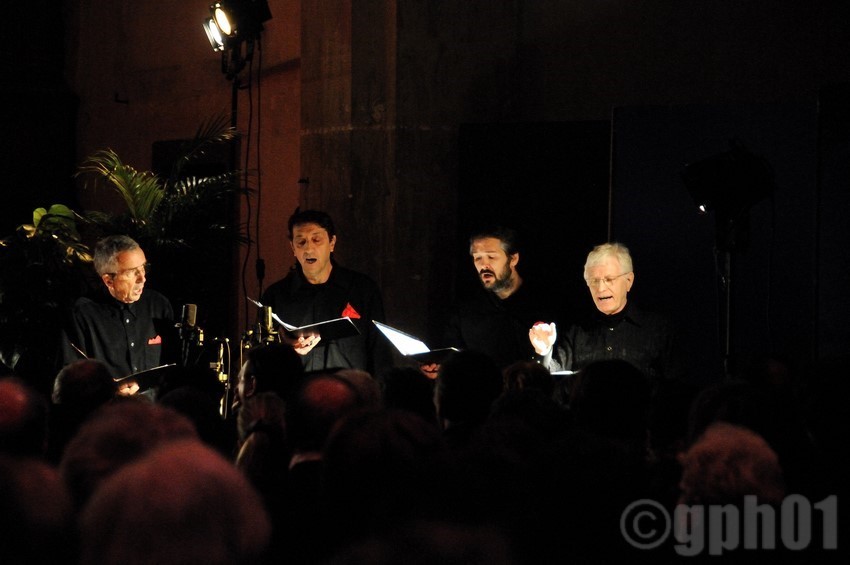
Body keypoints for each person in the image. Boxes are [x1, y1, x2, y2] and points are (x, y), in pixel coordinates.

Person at [531, 242, 682, 393]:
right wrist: (544, 351)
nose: (601, 288)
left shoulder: (657, 329)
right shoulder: (576, 330)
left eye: (609, 279)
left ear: (629, 281)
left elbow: (677, 389)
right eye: (594, 281)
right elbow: (549, 379)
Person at [261, 209, 393, 377]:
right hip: (298, 391)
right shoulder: (276, 296)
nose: (309, 248)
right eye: (301, 242)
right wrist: (284, 346)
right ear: (292, 247)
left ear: (332, 243)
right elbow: (262, 359)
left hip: (349, 390)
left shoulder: (362, 289)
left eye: (316, 240)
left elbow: (380, 353)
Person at [427, 226, 565, 375]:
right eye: (477, 258)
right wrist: (439, 369)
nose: (483, 265)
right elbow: (452, 359)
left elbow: (559, 366)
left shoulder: (545, 305)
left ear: (513, 259)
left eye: (491, 257)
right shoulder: (465, 311)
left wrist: (544, 351)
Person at [58, 235, 176, 394]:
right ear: (108, 281)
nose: (142, 278)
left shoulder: (158, 305)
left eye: (143, 267)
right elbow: (71, 379)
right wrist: (109, 392)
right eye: (132, 272)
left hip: (153, 408)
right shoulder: (82, 315)